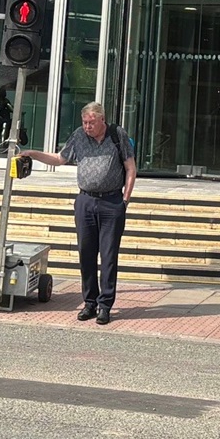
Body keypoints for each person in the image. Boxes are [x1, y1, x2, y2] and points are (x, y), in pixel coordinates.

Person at [24, 101, 136, 324]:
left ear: (102, 120)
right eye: (85, 123)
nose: (88, 127)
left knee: (108, 256)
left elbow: (131, 168)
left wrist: (125, 201)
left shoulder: (117, 135)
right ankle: (90, 303)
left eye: (92, 123)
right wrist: (33, 154)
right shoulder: (78, 136)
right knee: (86, 254)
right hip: (85, 201)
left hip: (112, 202)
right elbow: (59, 159)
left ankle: (105, 305)